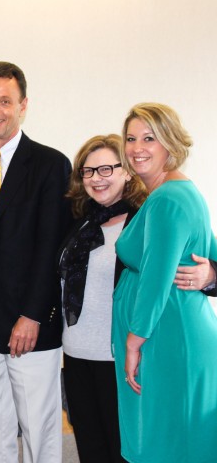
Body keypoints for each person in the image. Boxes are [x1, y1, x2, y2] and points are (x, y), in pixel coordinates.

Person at [0, 61, 72, 463]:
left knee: (39, 429)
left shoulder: (50, 165)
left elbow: (52, 247)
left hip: (30, 326)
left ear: (23, 105)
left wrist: (33, 314)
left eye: (4, 101)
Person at [113, 103, 217, 462]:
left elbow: (156, 279)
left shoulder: (168, 198)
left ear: (170, 143)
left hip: (167, 336)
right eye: (131, 139)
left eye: (149, 138)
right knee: (177, 443)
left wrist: (133, 342)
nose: (137, 148)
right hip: (172, 331)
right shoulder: (178, 191)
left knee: (167, 446)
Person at [58, 134, 146, 463]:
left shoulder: (143, 220)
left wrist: (208, 274)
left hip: (119, 358)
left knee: (122, 451)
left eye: (107, 168)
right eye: (89, 171)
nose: (97, 178)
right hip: (76, 356)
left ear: (127, 171)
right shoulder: (80, 222)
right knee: (90, 450)